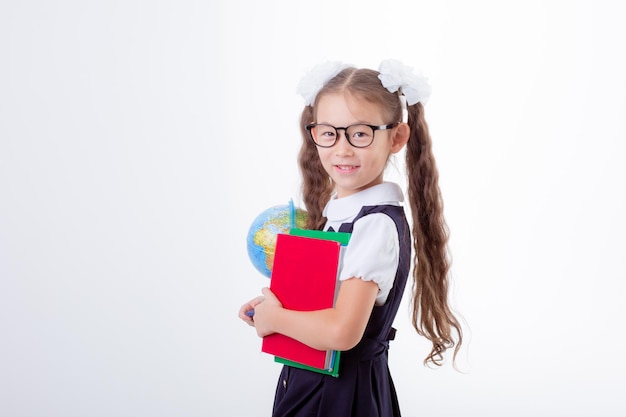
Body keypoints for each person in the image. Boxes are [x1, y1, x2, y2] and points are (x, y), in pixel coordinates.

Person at [238, 59, 463, 417]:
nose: (341, 149)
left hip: (341, 396)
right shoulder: (342, 215)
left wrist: (276, 321)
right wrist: (275, 308)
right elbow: (331, 303)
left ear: (397, 137)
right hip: (316, 383)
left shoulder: (374, 226)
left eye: (360, 133)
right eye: (328, 132)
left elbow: (343, 332)